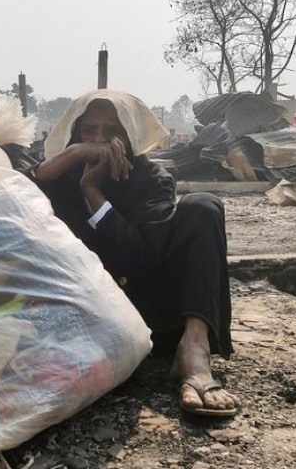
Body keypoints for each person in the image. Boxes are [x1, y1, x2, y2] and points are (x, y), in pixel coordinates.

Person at [29, 90, 237, 417]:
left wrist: (94, 194)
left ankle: (194, 349)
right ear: (74, 135)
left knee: (203, 206)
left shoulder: (151, 180)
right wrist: (71, 157)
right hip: (86, 313)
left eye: (112, 132)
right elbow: (22, 185)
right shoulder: (61, 180)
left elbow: (138, 261)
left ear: (130, 137)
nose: (99, 141)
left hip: (145, 309)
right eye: (89, 131)